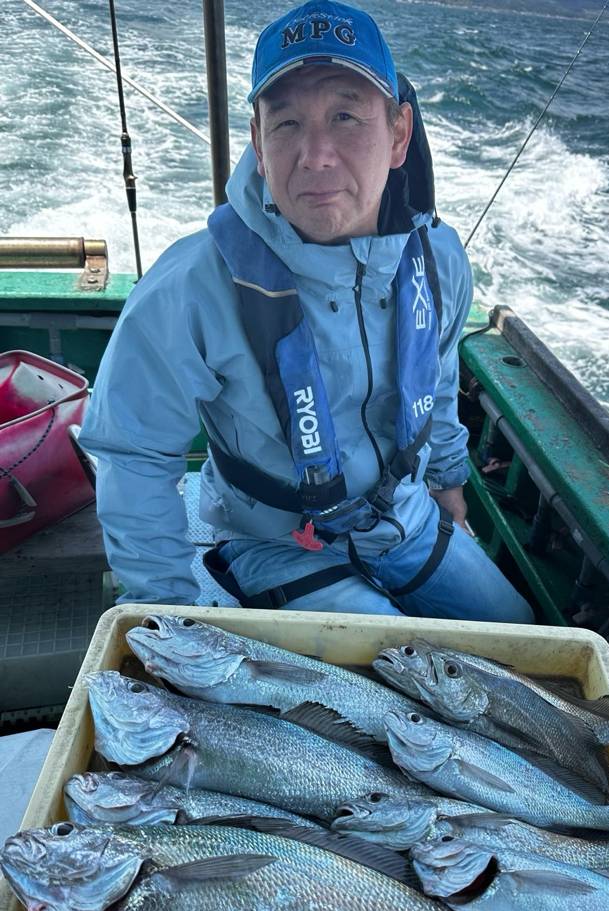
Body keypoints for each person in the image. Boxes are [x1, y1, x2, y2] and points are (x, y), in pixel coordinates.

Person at [80, 0, 533, 625]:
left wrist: (448, 485)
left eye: (346, 116)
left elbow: (439, 381)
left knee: (524, 635)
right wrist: (166, 612)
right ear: (259, 144)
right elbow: (133, 454)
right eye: (287, 123)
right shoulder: (193, 284)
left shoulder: (439, 259)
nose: (316, 155)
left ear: (399, 134)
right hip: (276, 540)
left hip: (405, 517)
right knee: (382, 673)